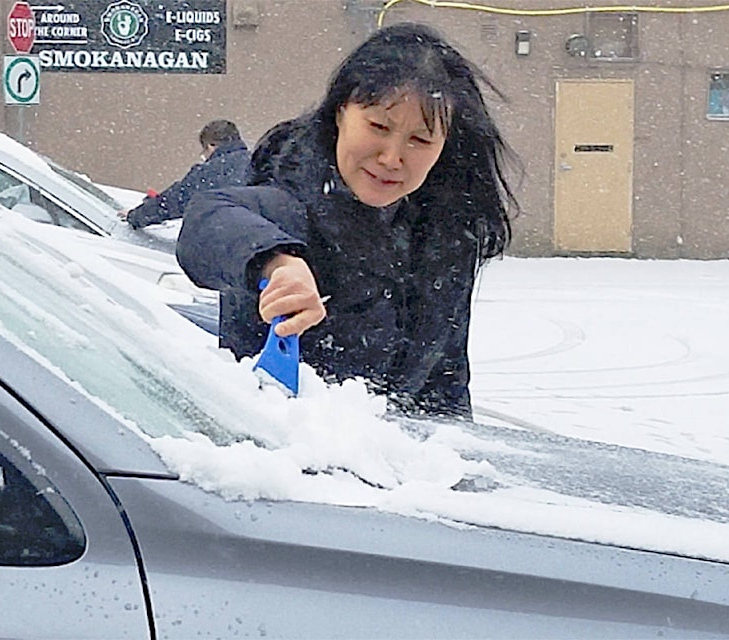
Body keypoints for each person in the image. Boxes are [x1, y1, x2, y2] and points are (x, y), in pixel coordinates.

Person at [177, 23, 520, 418]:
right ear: (341, 112)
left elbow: (446, 383)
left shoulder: (447, 232)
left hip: (396, 469)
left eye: (420, 140)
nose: (392, 157)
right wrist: (278, 263)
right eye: (378, 127)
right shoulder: (291, 196)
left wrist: (450, 466)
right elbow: (209, 218)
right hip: (277, 461)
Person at [120, 119, 250, 229]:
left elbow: (175, 201)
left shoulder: (212, 170)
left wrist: (136, 216)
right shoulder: (256, 162)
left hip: (223, 240)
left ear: (211, 146)